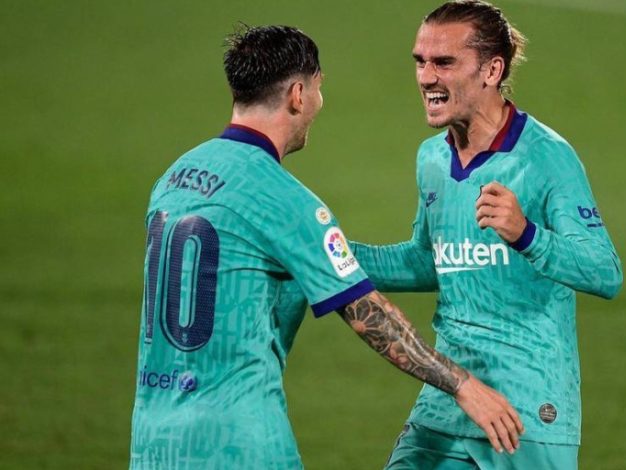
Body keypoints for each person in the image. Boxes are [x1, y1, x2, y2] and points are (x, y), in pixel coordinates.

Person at [128, 24, 523, 470]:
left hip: (154, 441)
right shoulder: (281, 197)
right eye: (318, 88)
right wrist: (464, 386)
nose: (318, 102)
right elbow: (370, 316)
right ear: (298, 94)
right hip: (238, 442)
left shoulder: (175, 178)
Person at [350, 1, 623, 468]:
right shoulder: (432, 158)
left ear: (492, 70)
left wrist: (527, 234)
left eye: (444, 62)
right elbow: (428, 261)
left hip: (526, 410)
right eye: (420, 61)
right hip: (447, 400)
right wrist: (322, 253)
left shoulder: (545, 158)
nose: (426, 77)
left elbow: (605, 272)